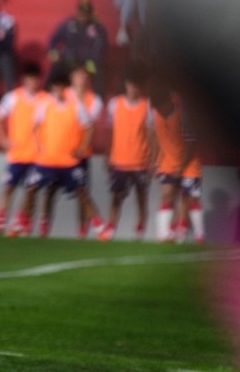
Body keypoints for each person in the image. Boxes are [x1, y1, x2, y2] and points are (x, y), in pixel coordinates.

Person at [8, 69, 104, 238]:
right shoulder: (45, 105)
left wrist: (82, 148)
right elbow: (35, 126)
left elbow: (89, 127)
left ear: (65, 89)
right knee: (31, 189)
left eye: (61, 88)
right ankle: (21, 223)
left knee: (82, 193)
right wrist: (39, 145)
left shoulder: (76, 106)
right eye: (56, 88)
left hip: (68, 161)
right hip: (47, 160)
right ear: (52, 88)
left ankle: (100, 229)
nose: (58, 91)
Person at [100, 65, 154, 241]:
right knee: (116, 197)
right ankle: (110, 229)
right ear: (126, 84)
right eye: (130, 84)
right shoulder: (115, 104)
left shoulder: (147, 106)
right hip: (119, 160)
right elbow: (109, 131)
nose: (133, 88)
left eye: (136, 85)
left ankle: (139, 232)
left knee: (141, 199)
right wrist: (107, 155)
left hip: (140, 161)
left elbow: (152, 135)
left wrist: (153, 160)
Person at [0, 62, 43, 235]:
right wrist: (4, 140)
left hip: (37, 154)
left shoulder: (44, 99)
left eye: (34, 79)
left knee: (31, 191)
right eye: (29, 79)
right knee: (8, 187)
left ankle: (22, 222)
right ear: (24, 80)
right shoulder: (13, 97)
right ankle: (0, 219)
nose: (32, 82)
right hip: (17, 153)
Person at [149, 84, 203, 243]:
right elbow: (155, 137)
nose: (159, 110)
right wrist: (154, 160)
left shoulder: (183, 114)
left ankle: (196, 235)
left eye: (160, 107)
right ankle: (163, 235)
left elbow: (191, 142)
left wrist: (181, 167)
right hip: (167, 161)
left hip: (189, 162)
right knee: (166, 195)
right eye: (156, 108)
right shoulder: (155, 113)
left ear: (168, 102)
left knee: (189, 198)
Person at [46, 0, 108, 96]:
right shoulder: (68, 24)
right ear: (77, 11)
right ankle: (48, 94)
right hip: (70, 61)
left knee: (99, 70)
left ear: (90, 13)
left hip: (89, 63)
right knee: (57, 67)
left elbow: (101, 49)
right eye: (81, 12)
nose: (83, 15)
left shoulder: (98, 28)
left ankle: (99, 100)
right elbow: (53, 39)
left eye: (86, 13)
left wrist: (89, 63)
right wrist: (53, 52)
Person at [69, 63, 104, 238]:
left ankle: (83, 229)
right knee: (49, 192)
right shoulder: (64, 95)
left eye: (85, 75)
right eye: (79, 75)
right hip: (62, 151)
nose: (83, 78)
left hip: (82, 153)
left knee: (82, 191)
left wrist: (78, 102)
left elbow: (89, 121)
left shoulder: (94, 100)